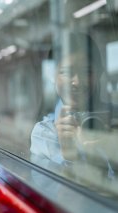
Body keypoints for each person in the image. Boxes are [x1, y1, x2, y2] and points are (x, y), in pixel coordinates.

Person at [30, 32, 116, 182]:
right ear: (52, 75)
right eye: (67, 72)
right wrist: (69, 156)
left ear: (99, 73)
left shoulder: (114, 119)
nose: (76, 81)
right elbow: (50, 195)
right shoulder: (45, 132)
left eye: (86, 72)